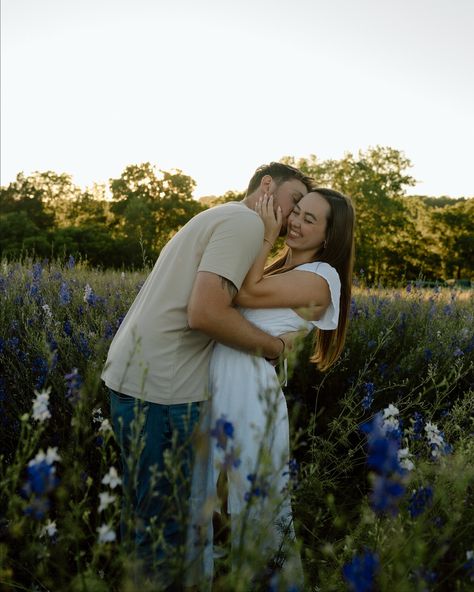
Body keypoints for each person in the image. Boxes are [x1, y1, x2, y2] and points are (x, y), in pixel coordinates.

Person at [100, 162, 313, 585]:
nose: (293, 216)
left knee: (145, 519)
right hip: (164, 390)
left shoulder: (220, 216)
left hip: (136, 380)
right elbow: (205, 312)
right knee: (168, 532)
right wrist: (275, 348)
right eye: (294, 202)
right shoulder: (244, 225)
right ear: (267, 186)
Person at [186, 189, 355, 588]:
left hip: (248, 389)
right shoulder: (279, 268)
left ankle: (263, 580)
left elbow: (245, 294)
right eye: (295, 211)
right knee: (212, 497)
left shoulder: (322, 278)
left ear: (329, 236)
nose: (294, 221)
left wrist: (264, 234)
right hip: (224, 379)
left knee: (251, 500)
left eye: (309, 219)